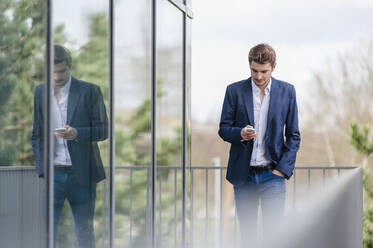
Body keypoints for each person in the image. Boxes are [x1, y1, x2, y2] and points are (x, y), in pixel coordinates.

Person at [218, 43, 300, 247]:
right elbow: (223, 128)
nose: (259, 76)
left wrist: (282, 170)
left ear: (274, 67)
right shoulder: (234, 91)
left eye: (264, 71)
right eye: (254, 70)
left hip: (273, 176)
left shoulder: (287, 92)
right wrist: (240, 134)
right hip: (243, 176)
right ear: (249, 66)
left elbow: (293, 136)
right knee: (248, 237)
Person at [31, 44, 108, 248]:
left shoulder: (90, 91)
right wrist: (43, 170)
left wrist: (77, 133)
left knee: (84, 231)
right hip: (53, 175)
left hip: (81, 175)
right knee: (48, 233)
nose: (57, 77)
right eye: (52, 72)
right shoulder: (40, 92)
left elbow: (103, 130)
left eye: (62, 71)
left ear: (70, 65)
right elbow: (37, 135)